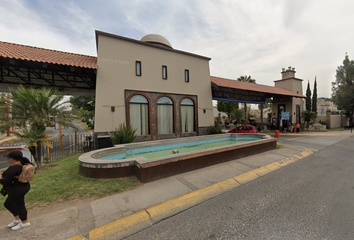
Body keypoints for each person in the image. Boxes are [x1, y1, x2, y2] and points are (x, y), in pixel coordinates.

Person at [0, 151, 32, 231]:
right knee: (8, 204)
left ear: (12, 159)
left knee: (19, 205)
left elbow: (5, 181)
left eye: (9, 158)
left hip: (16, 189)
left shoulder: (13, 168)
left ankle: (25, 222)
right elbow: (8, 175)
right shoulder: (23, 164)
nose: (8, 159)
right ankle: (17, 219)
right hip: (24, 186)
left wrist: (0, 179)